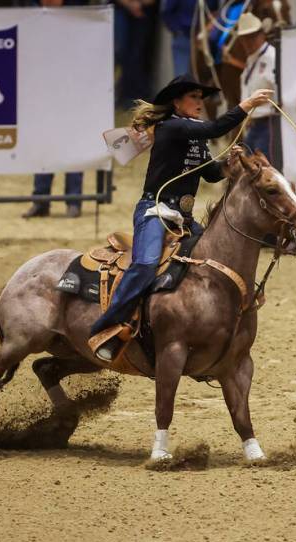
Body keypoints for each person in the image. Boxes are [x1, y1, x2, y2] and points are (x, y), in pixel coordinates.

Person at [88, 75, 273, 362]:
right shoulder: (172, 127)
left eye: (201, 98)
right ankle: (107, 326)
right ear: (177, 102)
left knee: (216, 259)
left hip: (183, 219)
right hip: (155, 211)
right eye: (194, 98)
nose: (200, 103)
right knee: (147, 264)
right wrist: (246, 105)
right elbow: (215, 128)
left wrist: (230, 164)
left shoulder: (193, 135)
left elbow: (211, 174)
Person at [236, 12, 281, 168]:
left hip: (269, 122)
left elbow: (279, 90)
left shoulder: (272, 57)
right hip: (254, 123)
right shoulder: (252, 59)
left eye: (252, 36)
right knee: (250, 167)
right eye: (245, 38)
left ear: (262, 35)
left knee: (262, 168)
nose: (248, 42)